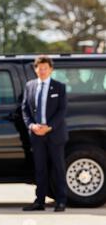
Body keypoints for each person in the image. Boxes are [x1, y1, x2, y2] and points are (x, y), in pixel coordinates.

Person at [22, 55, 68, 212]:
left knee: (58, 168)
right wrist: (32, 126)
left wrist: (49, 127)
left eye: (45, 68)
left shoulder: (59, 87)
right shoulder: (30, 86)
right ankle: (39, 201)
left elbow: (62, 110)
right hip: (36, 135)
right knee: (40, 169)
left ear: (51, 70)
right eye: (39, 68)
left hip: (55, 134)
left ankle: (61, 201)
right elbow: (25, 109)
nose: (42, 71)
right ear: (35, 69)